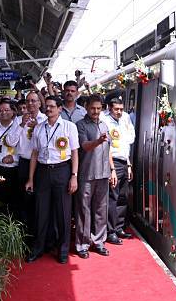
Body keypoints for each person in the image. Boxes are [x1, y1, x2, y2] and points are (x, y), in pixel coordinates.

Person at [25, 95, 79, 264]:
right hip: (42, 172)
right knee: (41, 212)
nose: (48, 109)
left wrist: (74, 176)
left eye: (52, 106)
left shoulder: (69, 127)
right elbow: (34, 154)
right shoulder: (39, 128)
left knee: (63, 212)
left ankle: (63, 250)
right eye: (46, 106)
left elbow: (75, 153)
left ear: (60, 109)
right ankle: (39, 247)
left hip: (62, 171)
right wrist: (30, 179)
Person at [74, 95, 117, 258]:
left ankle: (99, 242)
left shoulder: (105, 125)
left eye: (99, 108)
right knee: (83, 211)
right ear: (86, 107)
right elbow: (84, 146)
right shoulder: (80, 125)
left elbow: (109, 151)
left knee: (101, 210)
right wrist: (98, 141)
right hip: (86, 174)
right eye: (93, 108)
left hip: (103, 174)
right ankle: (82, 244)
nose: (96, 111)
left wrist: (112, 170)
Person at [5, 91, 46, 240]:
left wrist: (39, 127)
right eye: (28, 101)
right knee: (24, 200)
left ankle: (39, 235)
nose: (30, 104)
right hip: (23, 163)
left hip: (41, 164)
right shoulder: (19, 120)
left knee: (39, 201)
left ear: (40, 103)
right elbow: (10, 141)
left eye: (34, 101)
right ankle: (25, 236)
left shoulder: (45, 120)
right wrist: (22, 124)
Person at [101, 97, 135, 244]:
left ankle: (120, 227)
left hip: (123, 160)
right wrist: (112, 169)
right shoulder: (104, 119)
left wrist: (128, 165)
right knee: (112, 197)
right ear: (109, 108)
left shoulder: (126, 118)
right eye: (116, 109)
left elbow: (127, 143)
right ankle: (110, 231)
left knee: (123, 196)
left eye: (121, 109)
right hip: (112, 161)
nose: (120, 112)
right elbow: (107, 146)